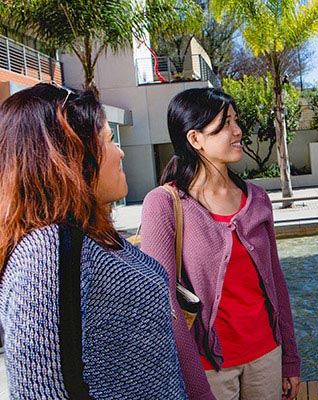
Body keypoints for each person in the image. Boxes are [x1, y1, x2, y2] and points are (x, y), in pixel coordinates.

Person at [0, 83, 187, 398]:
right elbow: (42, 388)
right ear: (69, 157)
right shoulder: (45, 250)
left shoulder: (90, 234)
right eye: (110, 140)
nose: (120, 151)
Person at [141, 88, 301, 400]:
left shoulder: (257, 199)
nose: (238, 131)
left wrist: (290, 359)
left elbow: (276, 282)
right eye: (225, 124)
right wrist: (193, 383)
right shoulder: (164, 204)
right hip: (207, 368)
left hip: (267, 356)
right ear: (195, 139)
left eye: (235, 121)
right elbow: (164, 304)